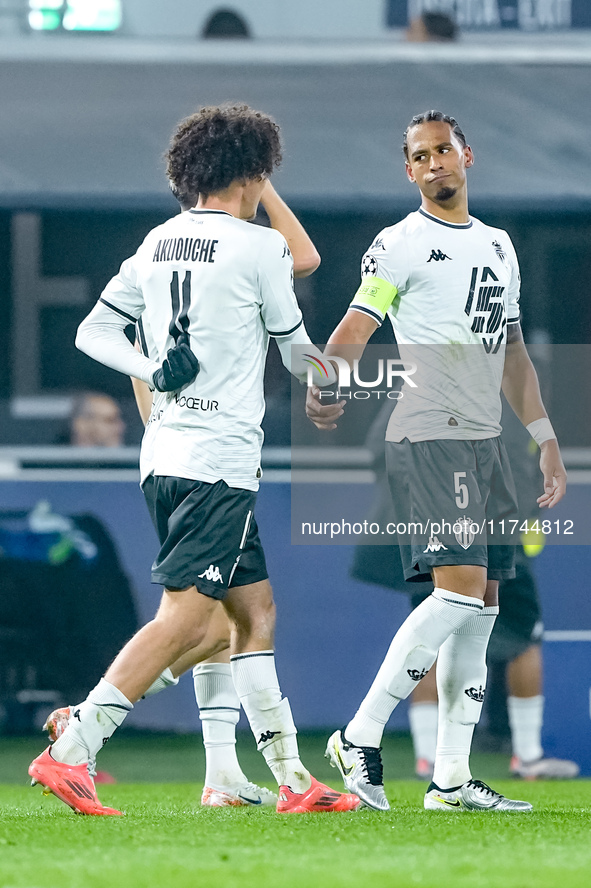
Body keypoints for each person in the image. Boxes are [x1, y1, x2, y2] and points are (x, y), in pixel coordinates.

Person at [29, 103, 358, 816]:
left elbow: (93, 332)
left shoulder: (156, 243)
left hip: (167, 453)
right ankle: (74, 745)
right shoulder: (256, 248)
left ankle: (282, 781)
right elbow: (298, 352)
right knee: (188, 618)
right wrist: (333, 384)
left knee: (250, 613)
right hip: (216, 458)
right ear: (256, 171)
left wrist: (150, 362)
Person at [306, 110, 566, 812]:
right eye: (418, 157)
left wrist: (543, 436)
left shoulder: (499, 247)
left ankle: (449, 778)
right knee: (453, 593)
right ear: (408, 171)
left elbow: (512, 354)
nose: (432, 164)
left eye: (441, 151)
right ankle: (358, 734)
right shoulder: (400, 245)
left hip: (488, 445)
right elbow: (356, 326)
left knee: (482, 607)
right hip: (430, 434)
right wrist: (327, 382)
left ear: (466, 156)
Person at [351, 402, 578, 781]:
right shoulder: (439, 383)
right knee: (477, 631)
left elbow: (380, 447)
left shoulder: (495, 391)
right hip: (469, 527)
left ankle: (443, 765)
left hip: (492, 526)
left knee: (494, 631)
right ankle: (510, 756)